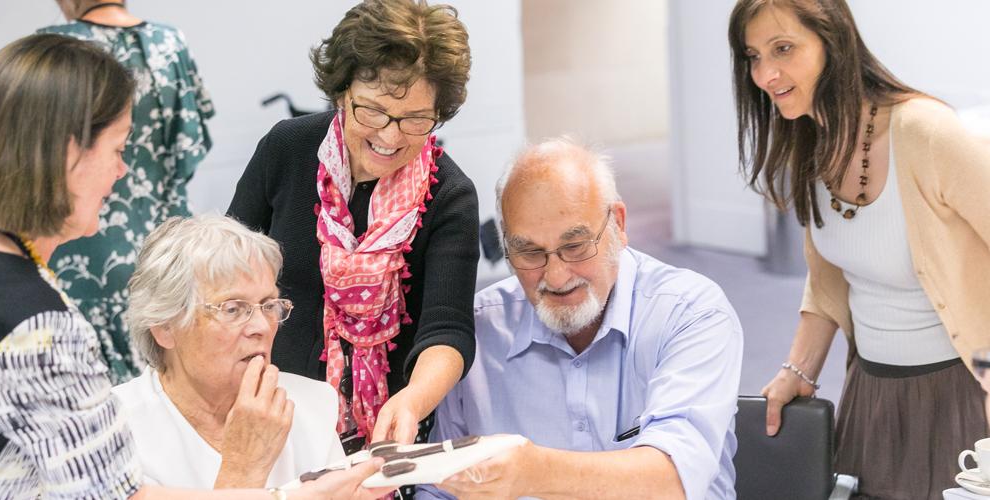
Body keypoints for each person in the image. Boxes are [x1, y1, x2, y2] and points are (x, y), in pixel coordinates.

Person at [0, 33, 385, 500]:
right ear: (67, 152)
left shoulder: (310, 405)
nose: (121, 172)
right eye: (119, 150)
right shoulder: (37, 323)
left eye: (268, 305)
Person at [728, 1, 990, 497]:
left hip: (959, 394)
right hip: (872, 391)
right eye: (753, 56)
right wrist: (797, 370)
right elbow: (828, 276)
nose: (765, 73)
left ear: (833, 41)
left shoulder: (925, 132)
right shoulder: (813, 139)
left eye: (783, 49)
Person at [417, 139, 744, 500]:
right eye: (529, 252)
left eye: (575, 247)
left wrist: (533, 472)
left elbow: (673, 479)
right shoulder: (477, 330)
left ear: (618, 224)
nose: (556, 277)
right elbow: (438, 490)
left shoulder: (691, 312)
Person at [227, 0, 479, 457]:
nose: (390, 135)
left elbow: (448, 329)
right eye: (373, 111)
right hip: (269, 413)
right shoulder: (288, 149)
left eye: (416, 119)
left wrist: (413, 401)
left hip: (384, 436)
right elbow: (225, 270)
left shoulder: (449, 196)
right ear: (342, 92)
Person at [38, 0, 215, 383]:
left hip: (77, 252)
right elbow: (190, 149)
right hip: (163, 246)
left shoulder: (51, 48)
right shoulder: (170, 42)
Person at [115, 214, 347, 488]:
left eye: (269, 304)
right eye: (233, 309)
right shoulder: (111, 433)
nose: (261, 326)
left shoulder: (310, 405)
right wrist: (244, 468)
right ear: (165, 327)